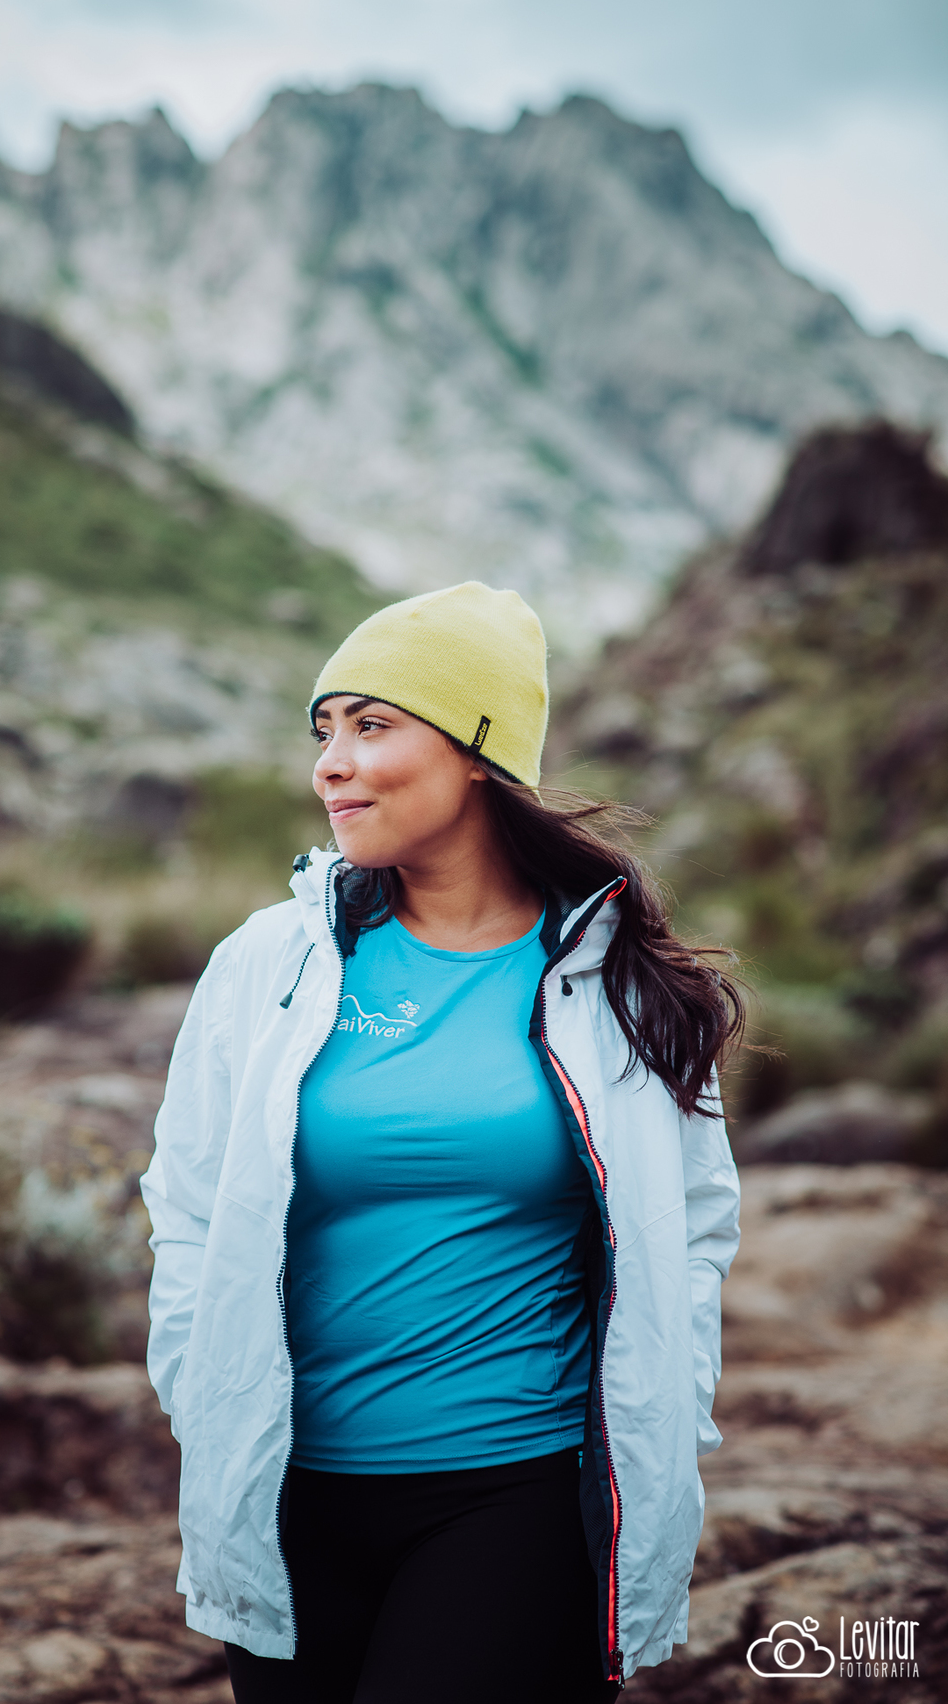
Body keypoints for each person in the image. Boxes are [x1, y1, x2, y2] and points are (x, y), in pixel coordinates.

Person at [142, 582, 742, 1702]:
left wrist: (671, 1412)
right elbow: (186, 1203)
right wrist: (200, 1395)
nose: (331, 762)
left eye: (373, 725)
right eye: (323, 730)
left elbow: (695, 1226)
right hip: (283, 1491)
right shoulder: (269, 965)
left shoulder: (615, 984)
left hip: (513, 1489)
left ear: (477, 752)